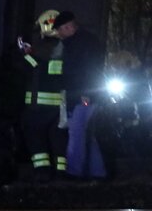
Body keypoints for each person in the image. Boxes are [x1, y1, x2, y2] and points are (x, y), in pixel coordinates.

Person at [54, 10, 107, 179]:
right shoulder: (85, 41)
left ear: (69, 27)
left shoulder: (80, 44)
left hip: (82, 96)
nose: (59, 33)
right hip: (85, 95)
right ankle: (98, 172)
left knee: (76, 133)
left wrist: (84, 94)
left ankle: (74, 172)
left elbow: (86, 70)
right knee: (86, 134)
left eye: (60, 29)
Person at [18, 9, 68, 181]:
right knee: (59, 140)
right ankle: (62, 173)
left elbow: (34, 67)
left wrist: (24, 55)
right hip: (60, 108)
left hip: (37, 108)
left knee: (35, 138)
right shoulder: (65, 49)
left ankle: (42, 172)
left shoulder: (41, 48)